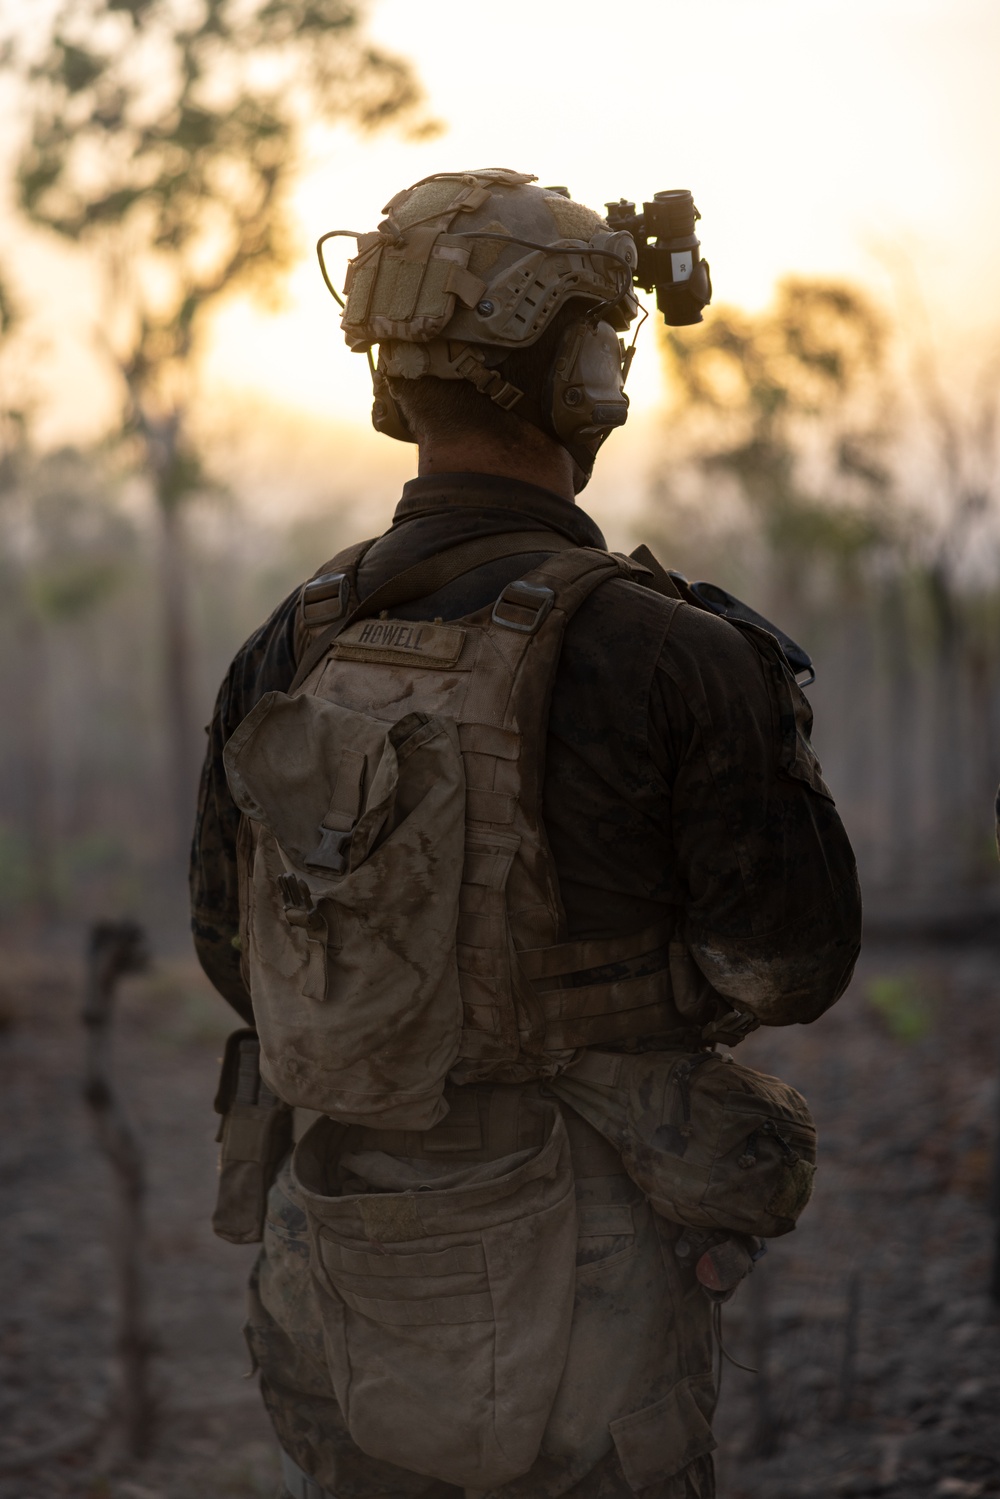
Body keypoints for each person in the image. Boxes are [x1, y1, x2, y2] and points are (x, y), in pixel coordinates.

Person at [191, 169, 862, 1499]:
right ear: (582, 386)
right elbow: (789, 968)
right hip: (585, 1281)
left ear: (393, 388)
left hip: (337, 1251)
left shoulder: (292, 639)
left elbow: (232, 955)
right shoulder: (673, 652)